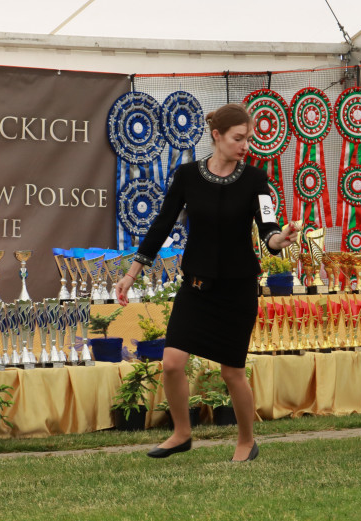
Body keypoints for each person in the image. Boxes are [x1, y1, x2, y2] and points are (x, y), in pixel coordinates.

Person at [113, 102, 298, 462]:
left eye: (248, 139)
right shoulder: (186, 176)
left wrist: (280, 239)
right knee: (171, 362)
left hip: (238, 288)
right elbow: (161, 225)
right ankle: (182, 434)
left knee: (232, 372)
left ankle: (246, 440)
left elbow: (269, 229)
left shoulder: (256, 179)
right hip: (195, 287)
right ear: (217, 136)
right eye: (238, 138)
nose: (245, 145)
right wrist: (131, 273)